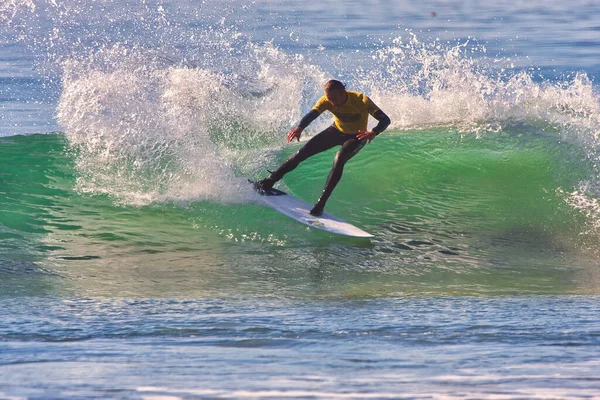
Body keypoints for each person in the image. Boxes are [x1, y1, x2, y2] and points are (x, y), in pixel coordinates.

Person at [255, 80, 391, 216]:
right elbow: (312, 114)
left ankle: (321, 203)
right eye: (328, 98)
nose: (330, 102)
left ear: (341, 92)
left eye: (332, 98)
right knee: (301, 153)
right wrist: (300, 128)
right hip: (336, 131)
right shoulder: (326, 100)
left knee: (340, 158)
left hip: (357, 137)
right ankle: (269, 181)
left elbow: (385, 119)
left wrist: (373, 132)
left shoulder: (361, 100)